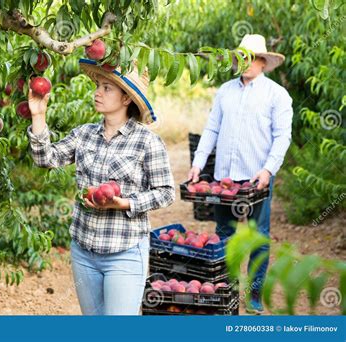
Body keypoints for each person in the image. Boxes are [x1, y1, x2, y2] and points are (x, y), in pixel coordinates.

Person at [27, 58, 176, 315]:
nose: (97, 92)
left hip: (125, 251)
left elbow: (166, 193)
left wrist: (125, 203)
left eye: (107, 88)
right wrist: (38, 114)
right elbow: (45, 159)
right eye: (98, 86)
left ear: (126, 98)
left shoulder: (147, 142)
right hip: (84, 251)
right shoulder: (83, 134)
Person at [187, 34, 293, 314]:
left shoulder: (276, 95)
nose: (246, 62)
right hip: (225, 178)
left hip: (257, 178)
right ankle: (228, 291)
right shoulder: (225, 91)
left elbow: (282, 136)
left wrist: (269, 169)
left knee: (258, 236)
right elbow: (211, 130)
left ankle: (254, 294)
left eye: (252, 57)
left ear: (262, 62)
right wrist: (198, 163)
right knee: (224, 235)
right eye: (241, 57)